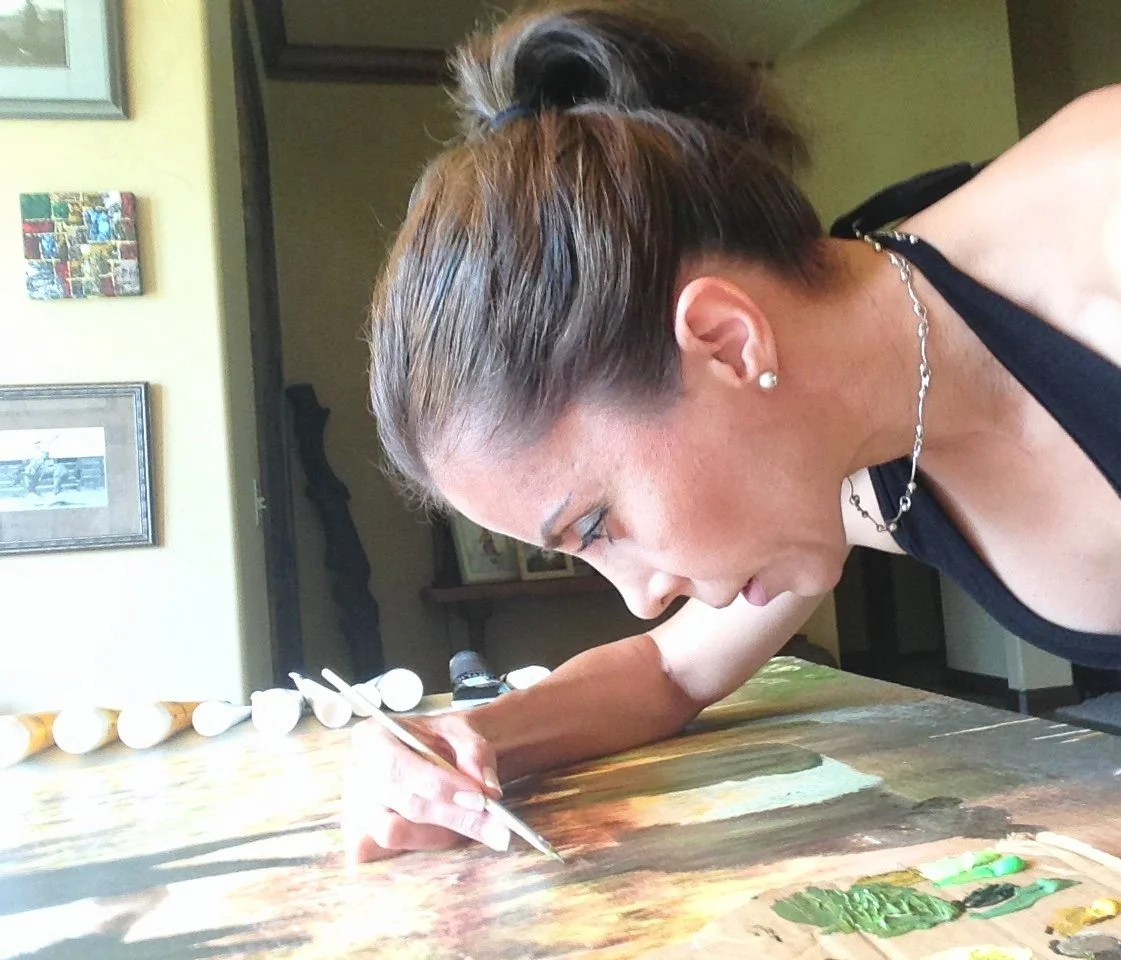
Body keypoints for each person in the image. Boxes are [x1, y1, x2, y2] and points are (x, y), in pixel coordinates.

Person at [349, 2, 1121, 862]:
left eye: (598, 524)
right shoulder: (844, 456)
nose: (640, 597)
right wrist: (466, 742)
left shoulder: (1105, 219)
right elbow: (667, 673)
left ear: (724, 340)